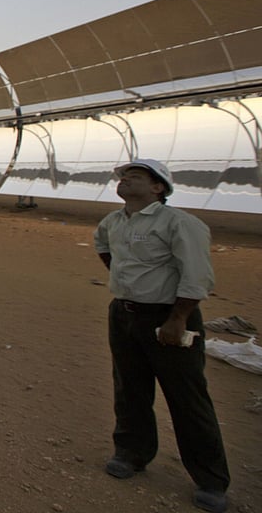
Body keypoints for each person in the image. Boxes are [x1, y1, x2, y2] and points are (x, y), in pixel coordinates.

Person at [94, 159, 230, 513]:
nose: (125, 181)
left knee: (186, 397)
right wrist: (130, 285)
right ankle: (131, 453)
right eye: (123, 177)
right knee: (129, 388)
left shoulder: (180, 223)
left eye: (135, 177)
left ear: (158, 188)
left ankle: (211, 480)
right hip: (124, 315)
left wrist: (179, 317)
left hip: (169, 317)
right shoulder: (114, 222)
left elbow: (196, 273)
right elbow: (104, 247)